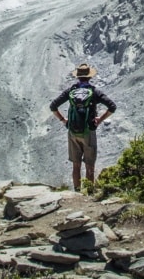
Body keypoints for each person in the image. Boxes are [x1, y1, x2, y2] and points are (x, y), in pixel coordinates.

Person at [49, 63, 117, 191]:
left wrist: (63, 120)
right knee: (90, 165)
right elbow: (112, 106)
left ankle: (77, 191)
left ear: (78, 77)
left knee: (76, 165)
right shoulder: (94, 91)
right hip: (88, 132)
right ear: (89, 77)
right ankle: (89, 192)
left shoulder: (71, 91)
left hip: (73, 131)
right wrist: (100, 119)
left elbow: (53, 106)